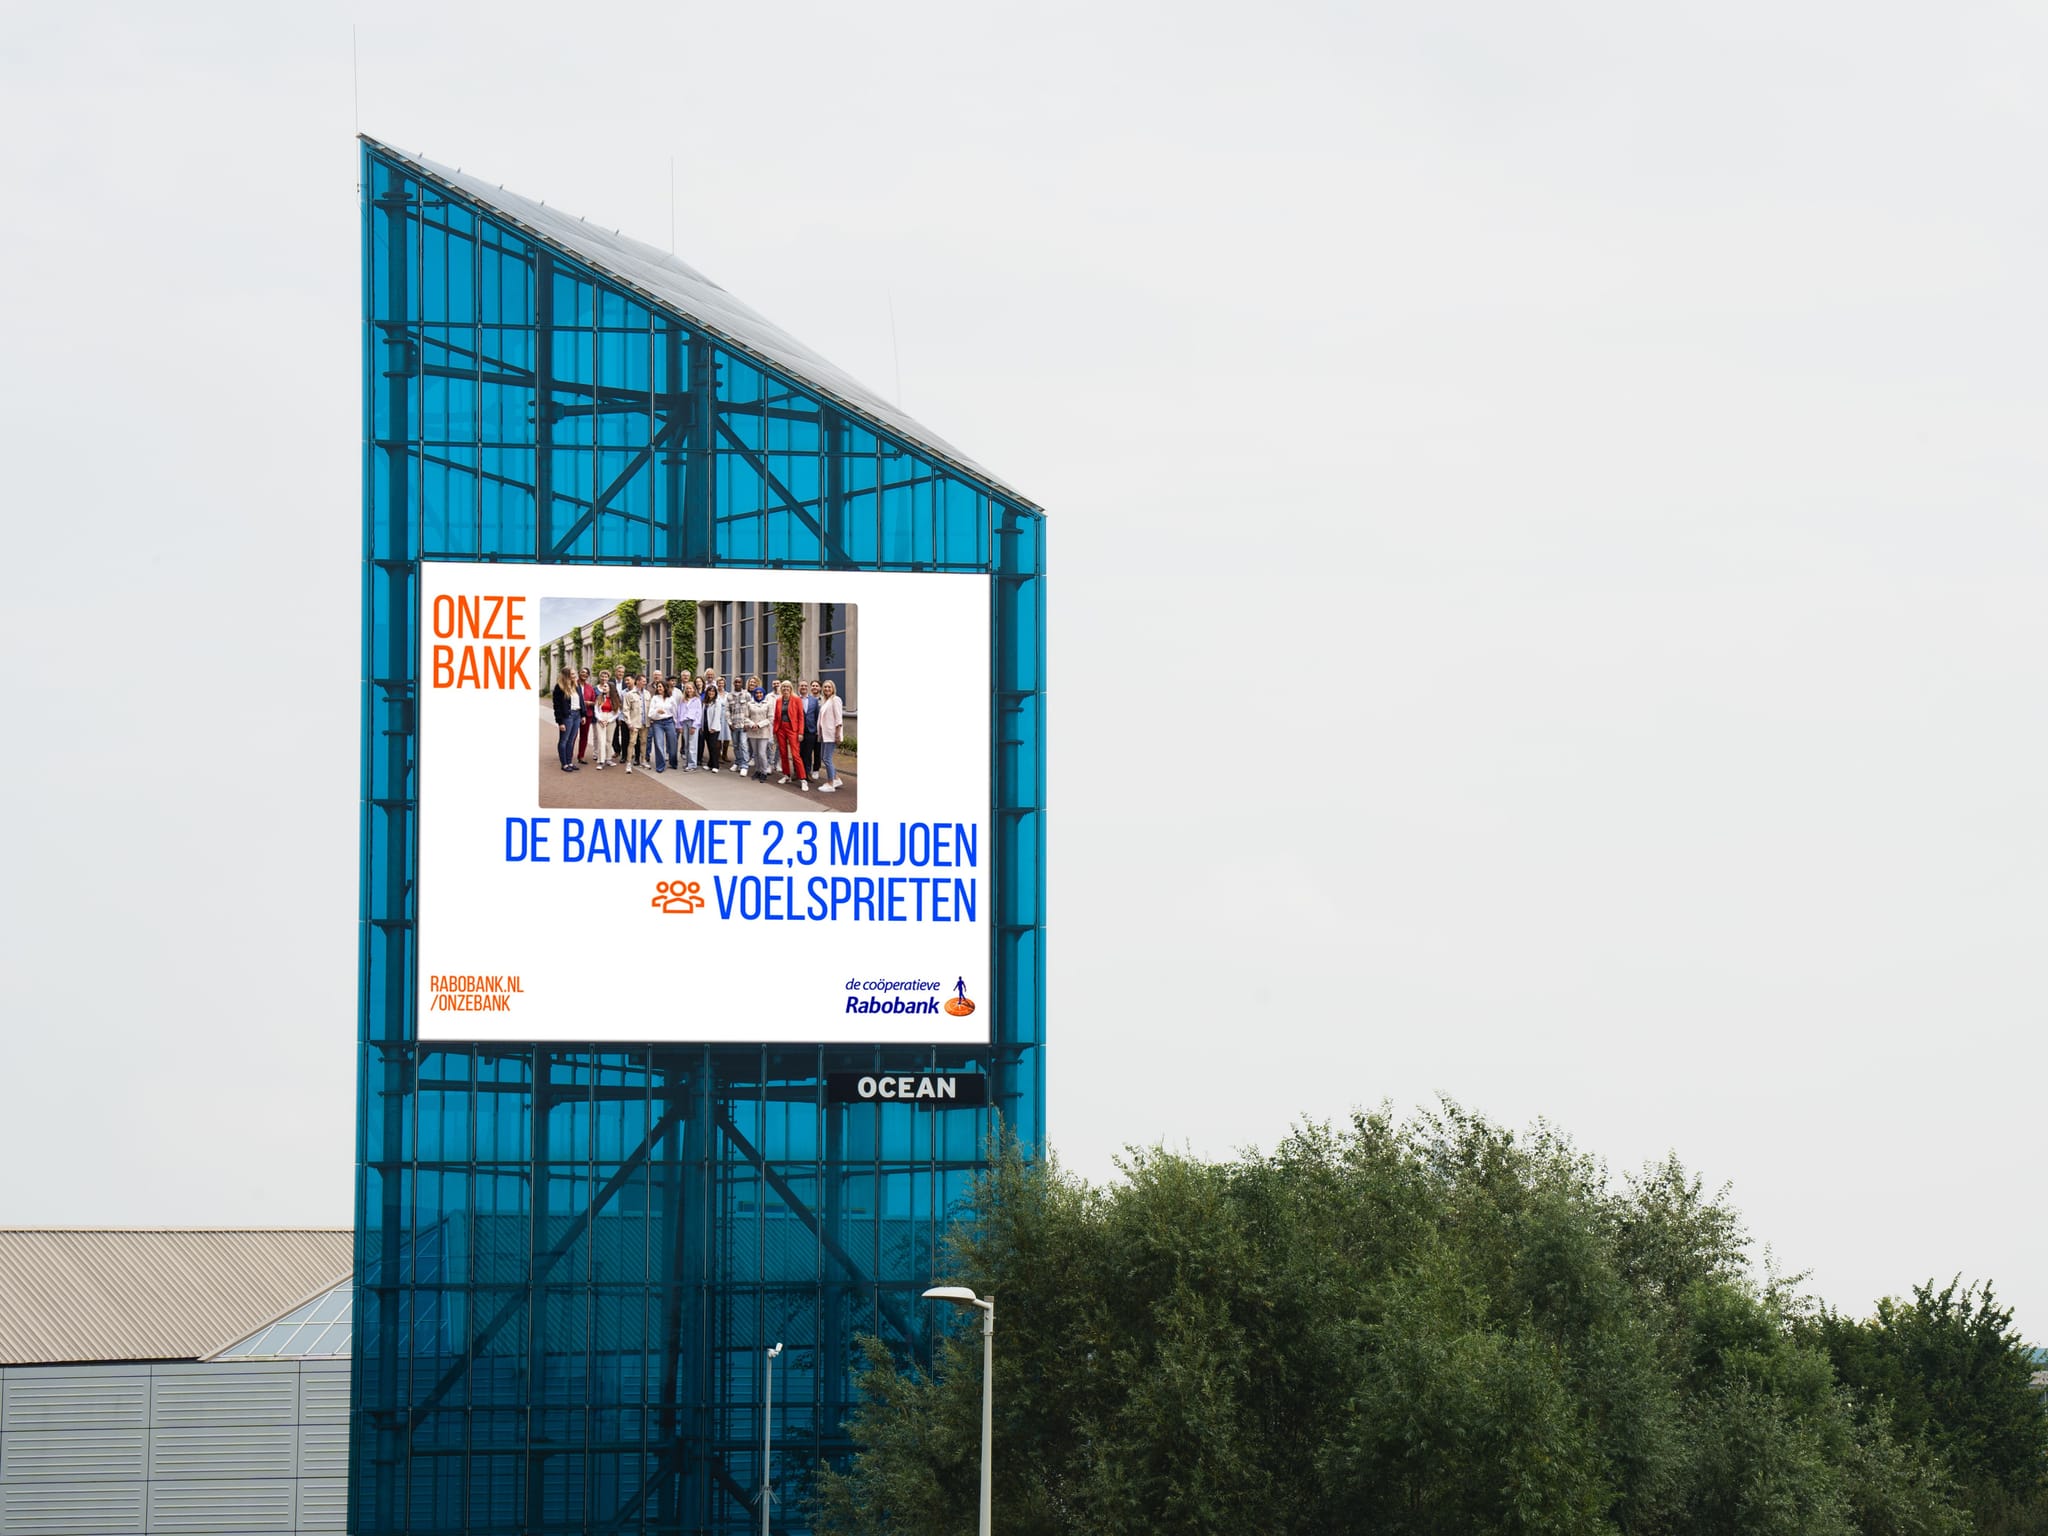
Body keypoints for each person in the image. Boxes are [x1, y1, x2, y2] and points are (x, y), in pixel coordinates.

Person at [773, 680, 808, 790]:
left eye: (788, 687)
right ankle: (786, 775)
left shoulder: (796, 699)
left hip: (793, 729)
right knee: (783, 753)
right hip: (781, 729)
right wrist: (775, 731)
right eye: (783, 687)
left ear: (791, 688)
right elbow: (776, 717)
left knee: (795, 754)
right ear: (781, 689)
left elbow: (801, 717)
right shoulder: (779, 700)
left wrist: (801, 732)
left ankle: (803, 779)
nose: (785, 689)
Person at [743, 676, 775, 782]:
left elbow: (770, 718)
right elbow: (746, 717)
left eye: (760, 693)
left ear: (763, 694)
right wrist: (752, 724)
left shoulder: (768, 704)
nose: (758, 695)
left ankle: (764, 771)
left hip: (763, 732)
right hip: (752, 731)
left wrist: (759, 725)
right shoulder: (749, 704)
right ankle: (757, 770)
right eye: (757, 693)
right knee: (755, 753)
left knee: (762, 753)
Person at [551, 668, 582, 772]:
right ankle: (564, 764)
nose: (575, 675)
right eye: (573, 673)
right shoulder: (559, 687)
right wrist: (560, 722)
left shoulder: (576, 686)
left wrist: (583, 715)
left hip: (577, 715)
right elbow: (557, 706)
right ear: (567, 675)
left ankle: (570, 762)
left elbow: (580, 701)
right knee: (564, 740)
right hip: (567, 716)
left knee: (572, 740)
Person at [816, 679, 845, 792]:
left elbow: (838, 718)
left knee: (827, 758)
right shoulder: (825, 701)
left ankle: (830, 783)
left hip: (831, 734)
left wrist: (837, 734)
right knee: (824, 757)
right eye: (825, 687)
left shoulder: (835, 700)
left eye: (829, 687)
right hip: (824, 734)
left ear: (833, 689)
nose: (827, 689)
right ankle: (836, 779)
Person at [620, 675, 647, 774]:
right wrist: (629, 723)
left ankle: (643, 760)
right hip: (634, 723)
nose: (645, 683)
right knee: (632, 743)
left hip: (645, 723)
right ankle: (628, 763)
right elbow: (625, 710)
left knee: (644, 742)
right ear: (638, 681)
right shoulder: (629, 694)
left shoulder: (647, 693)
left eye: (645, 681)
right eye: (643, 681)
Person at [647, 680, 676, 772]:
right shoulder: (655, 698)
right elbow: (650, 713)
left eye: (660, 686)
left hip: (669, 721)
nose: (659, 688)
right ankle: (660, 765)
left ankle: (673, 762)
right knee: (659, 744)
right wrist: (657, 711)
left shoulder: (671, 698)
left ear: (665, 687)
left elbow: (675, 712)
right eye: (658, 687)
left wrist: (677, 723)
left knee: (672, 743)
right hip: (657, 723)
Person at [676, 680, 703, 773]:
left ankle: (692, 764)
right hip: (684, 723)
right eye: (687, 688)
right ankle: (687, 762)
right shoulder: (682, 700)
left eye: (690, 688)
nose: (689, 690)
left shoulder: (697, 700)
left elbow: (699, 714)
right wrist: (679, 725)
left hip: (692, 723)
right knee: (686, 744)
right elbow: (679, 713)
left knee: (692, 744)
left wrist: (695, 726)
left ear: (693, 689)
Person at [592, 679, 618, 768]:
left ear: (610, 688)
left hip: (611, 719)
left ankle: (608, 759)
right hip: (601, 719)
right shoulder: (599, 697)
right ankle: (601, 761)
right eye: (603, 686)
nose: (604, 687)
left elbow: (617, 712)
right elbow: (596, 710)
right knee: (601, 740)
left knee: (609, 740)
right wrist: (600, 719)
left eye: (606, 686)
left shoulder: (615, 699)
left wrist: (609, 720)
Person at [699, 682, 724, 772]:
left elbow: (717, 715)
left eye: (713, 692)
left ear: (715, 693)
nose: (711, 693)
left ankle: (715, 766)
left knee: (713, 747)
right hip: (705, 727)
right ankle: (710, 764)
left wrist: (713, 727)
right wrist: (702, 727)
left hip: (713, 728)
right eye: (709, 691)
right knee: (709, 746)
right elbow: (703, 715)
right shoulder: (705, 702)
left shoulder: (717, 702)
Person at [801, 680, 822, 780]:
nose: (804, 687)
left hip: (811, 730)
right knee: (800, 752)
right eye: (802, 686)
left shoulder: (814, 700)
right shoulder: (796, 699)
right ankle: (799, 772)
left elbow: (817, 716)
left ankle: (807, 772)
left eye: (805, 685)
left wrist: (817, 729)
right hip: (799, 731)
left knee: (808, 753)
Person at [575, 668, 596, 761]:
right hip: (574, 714)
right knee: (572, 736)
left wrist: (589, 703)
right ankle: (568, 755)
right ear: (579, 673)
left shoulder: (590, 688)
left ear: (588, 676)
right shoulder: (572, 685)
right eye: (582, 672)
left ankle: (581, 756)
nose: (584, 674)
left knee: (584, 736)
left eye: (586, 673)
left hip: (587, 714)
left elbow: (595, 701)